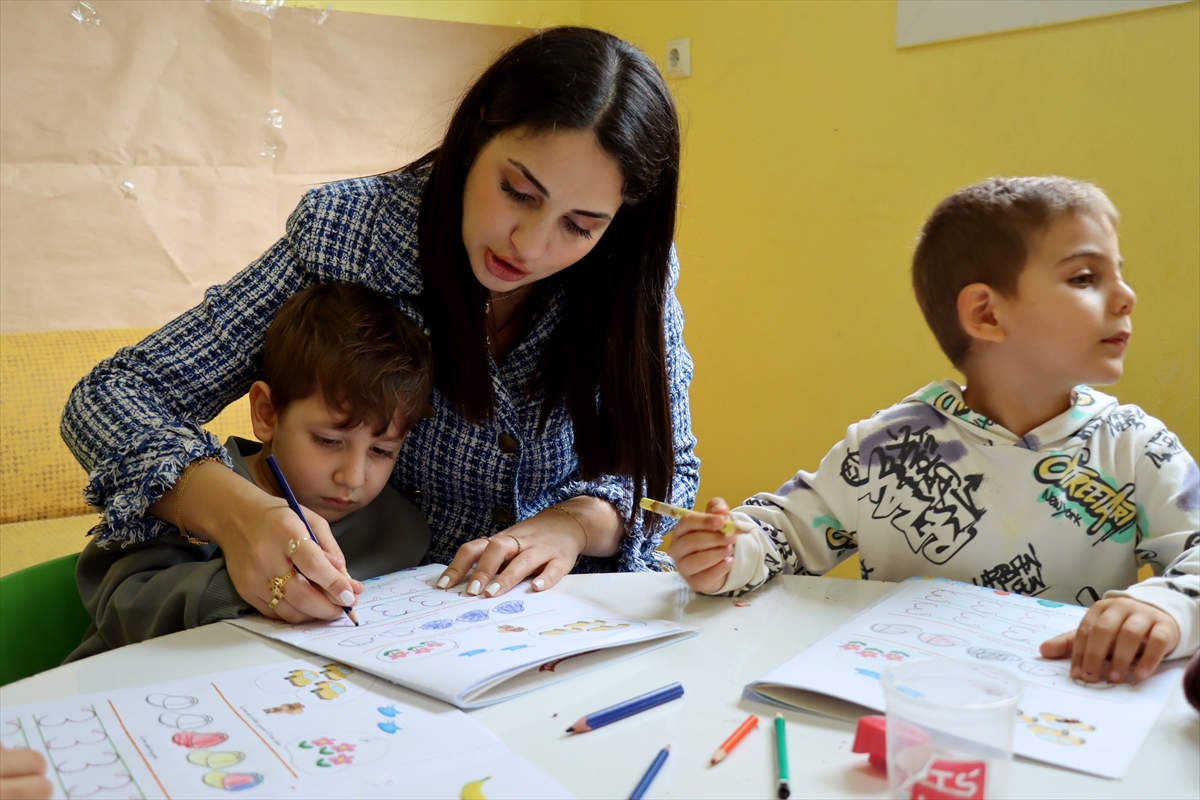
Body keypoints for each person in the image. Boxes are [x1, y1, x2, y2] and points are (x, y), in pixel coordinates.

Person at [61, 27, 699, 625]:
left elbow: (663, 470)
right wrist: (240, 514)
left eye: (580, 225)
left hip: (560, 616)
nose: (530, 245)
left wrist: (573, 524)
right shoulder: (356, 236)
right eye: (518, 192)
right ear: (475, 139)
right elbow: (112, 396)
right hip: (381, 624)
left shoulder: (629, 278)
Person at [669, 176, 1198, 685]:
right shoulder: (887, 448)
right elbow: (781, 535)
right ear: (986, 313)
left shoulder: (1137, 447)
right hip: (897, 708)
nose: (1126, 295)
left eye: (1119, 273)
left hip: (1066, 720)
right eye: (1085, 277)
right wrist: (727, 552)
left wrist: (1166, 607)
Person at [66, 283, 433, 658]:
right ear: (266, 413)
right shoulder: (183, 495)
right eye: (327, 441)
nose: (353, 477)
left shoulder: (400, 526)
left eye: (382, 450)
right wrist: (251, 586)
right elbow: (124, 611)